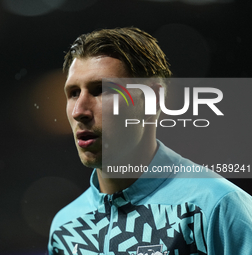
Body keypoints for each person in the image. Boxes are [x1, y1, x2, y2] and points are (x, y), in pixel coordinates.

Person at [48, 27, 252, 255]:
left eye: (101, 90)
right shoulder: (65, 229)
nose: (79, 111)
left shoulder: (216, 206)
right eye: (73, 93)